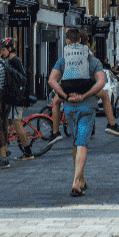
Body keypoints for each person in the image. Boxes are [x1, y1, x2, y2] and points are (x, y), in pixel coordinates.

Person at [47, 28, 106, 197]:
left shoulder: (63, 60)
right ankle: (75, 182)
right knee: (82, 144)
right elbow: (101, 81)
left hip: (69, 106)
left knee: (76, 143)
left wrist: (64, 95)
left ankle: (81, 179)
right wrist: (86, 95)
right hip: (87, 107)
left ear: (68, 41)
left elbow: (52, 80)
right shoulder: (93, 61)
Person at [49, 34, 119, 144]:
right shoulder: (89, 55)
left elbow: (54, 79)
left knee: (56, 102)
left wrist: (64, 94)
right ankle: (111, 124)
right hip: (86, 87)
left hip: (69, 88)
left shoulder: (66, 56)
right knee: (105, 96)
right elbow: (98, 78)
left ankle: (55, 132)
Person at [0, 38, 35, 161]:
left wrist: (22, 96)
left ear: (9, 49)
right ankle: (2, 150)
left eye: (3, 50)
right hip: (13, 98)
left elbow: (22, 79)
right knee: (8, 124)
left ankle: (28, 152)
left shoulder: (14, 61)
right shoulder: (10, 60)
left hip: (16, 99)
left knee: (17, 124)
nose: (2, 52)